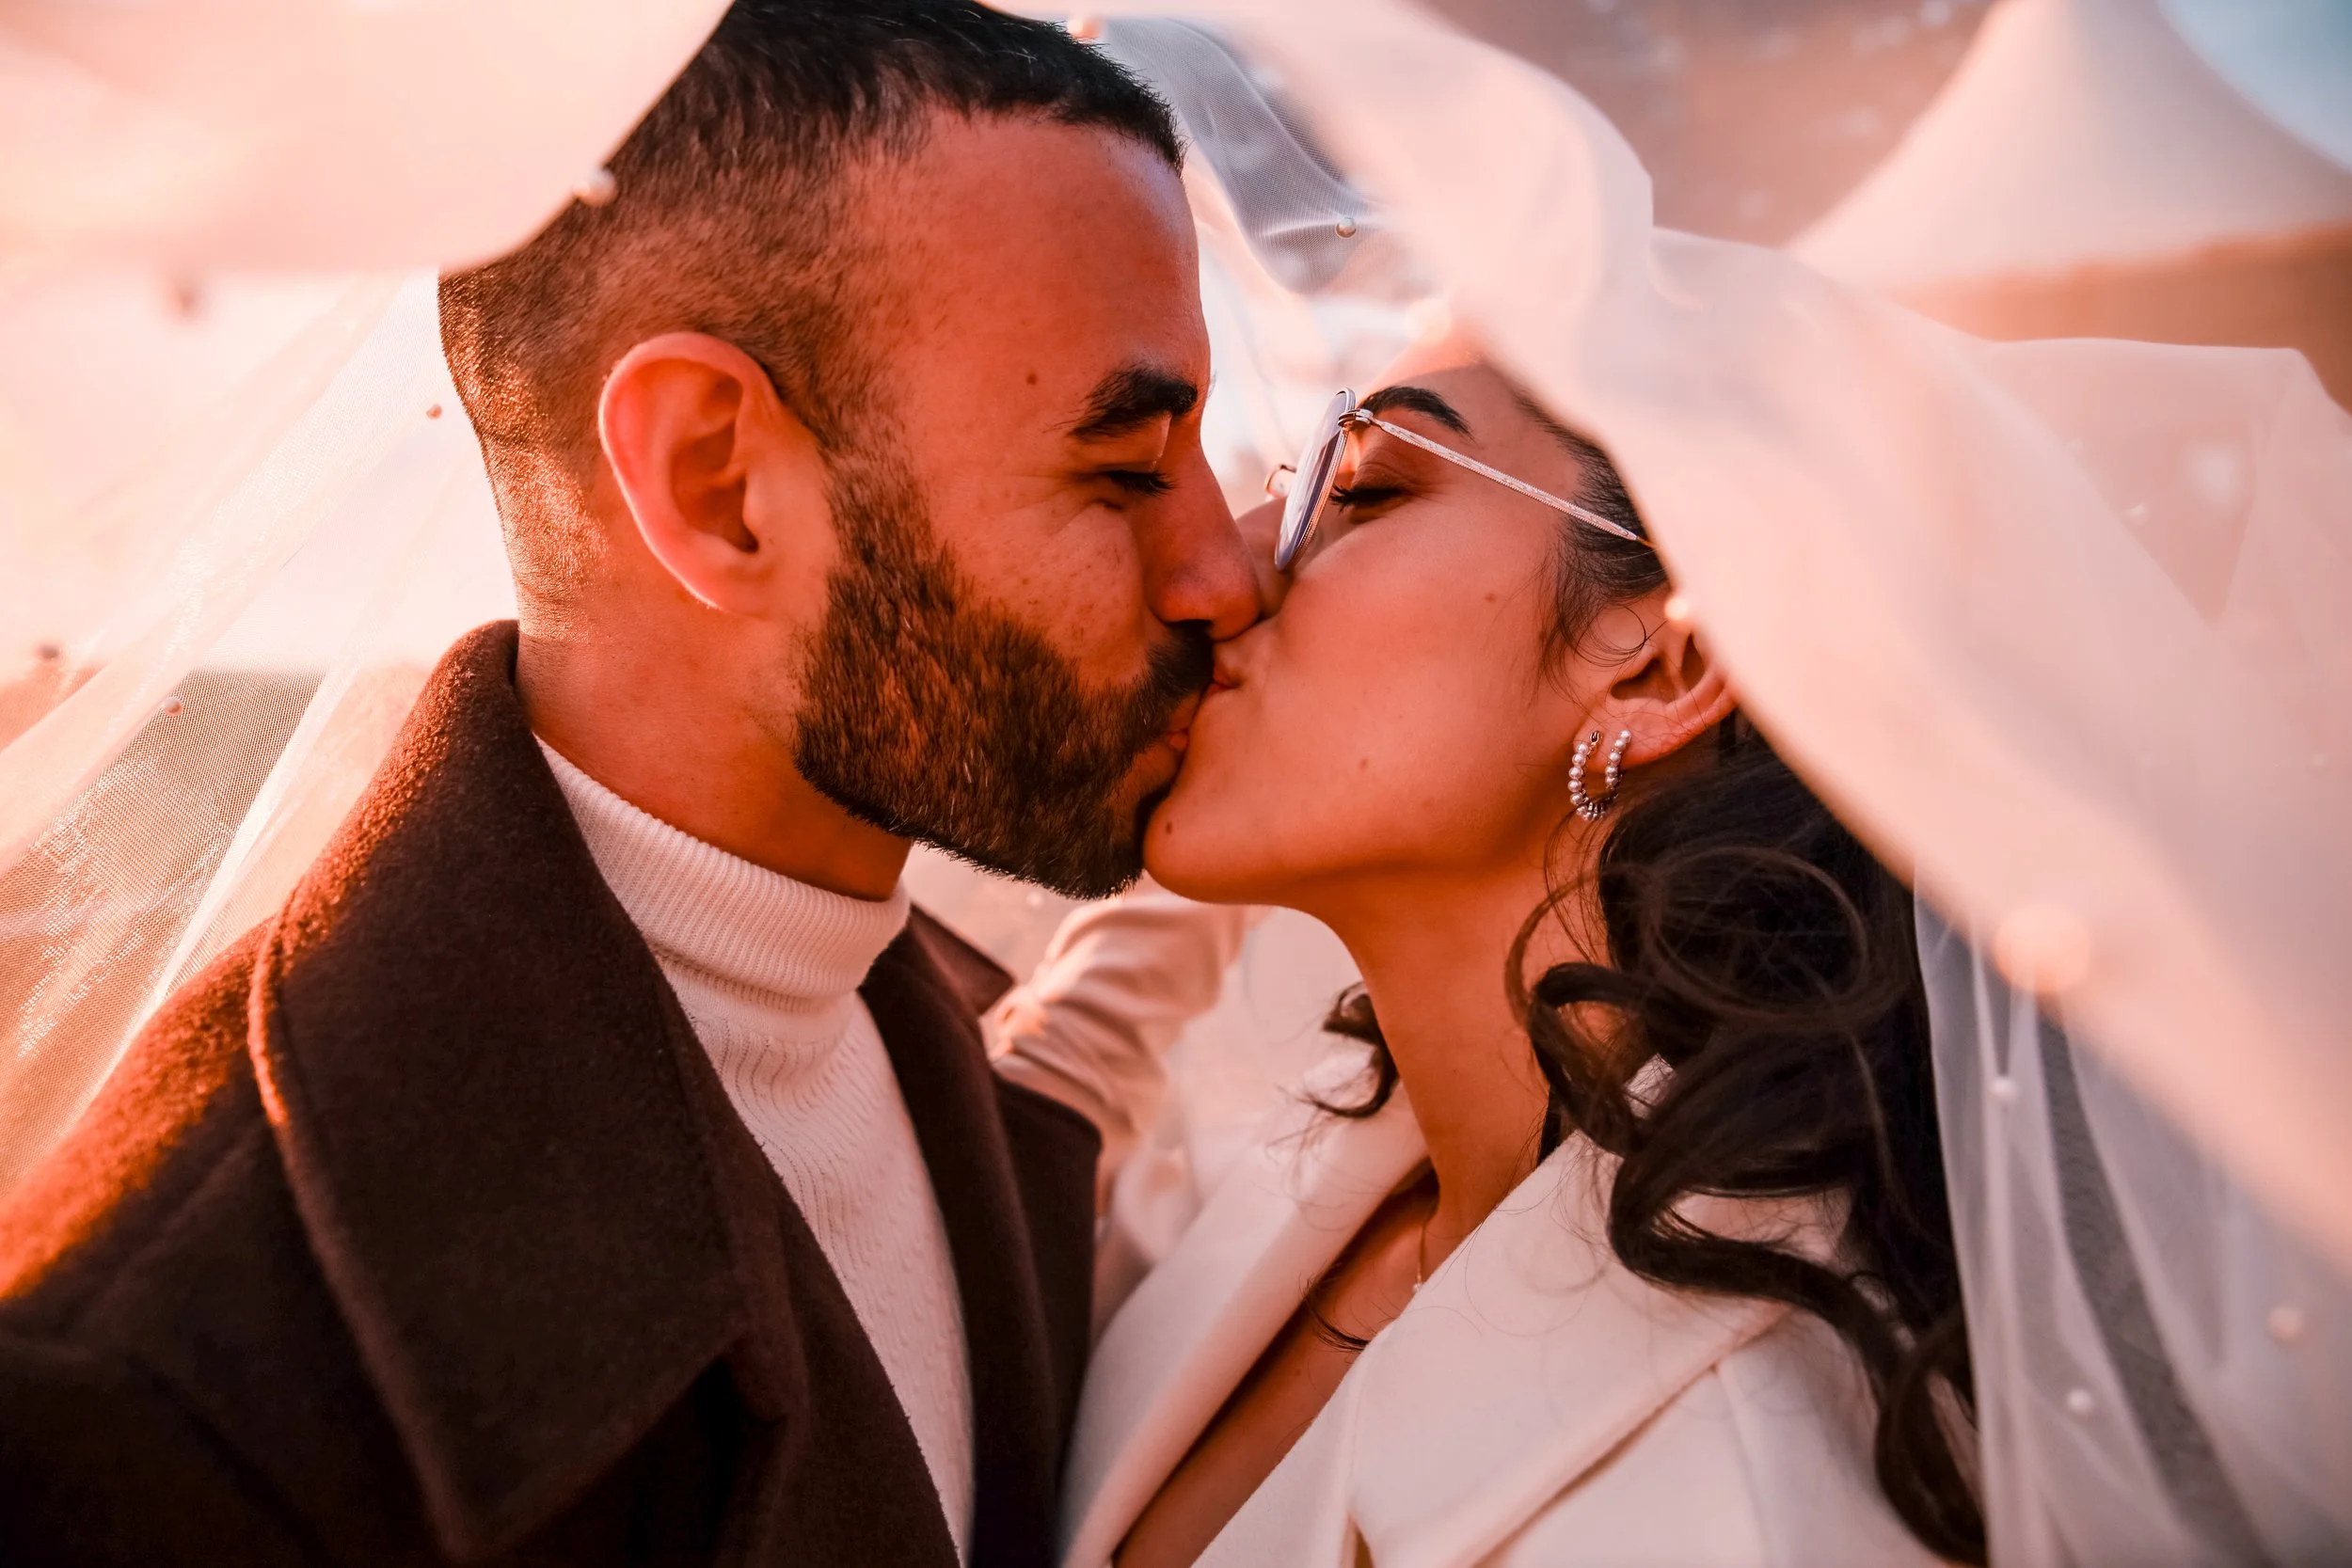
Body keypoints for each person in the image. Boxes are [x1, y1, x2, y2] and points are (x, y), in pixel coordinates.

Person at [0, 4, 1255, 1564]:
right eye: (1125, 468)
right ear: (717, 483)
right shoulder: (162, 1413)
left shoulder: (939, 1040)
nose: (1223, 569)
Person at [991, 336, 1984, 1567]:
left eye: (1365, 490)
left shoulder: (1740, 1501)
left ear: (1666, 664)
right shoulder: (1326, 1172)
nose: (1222, 564)